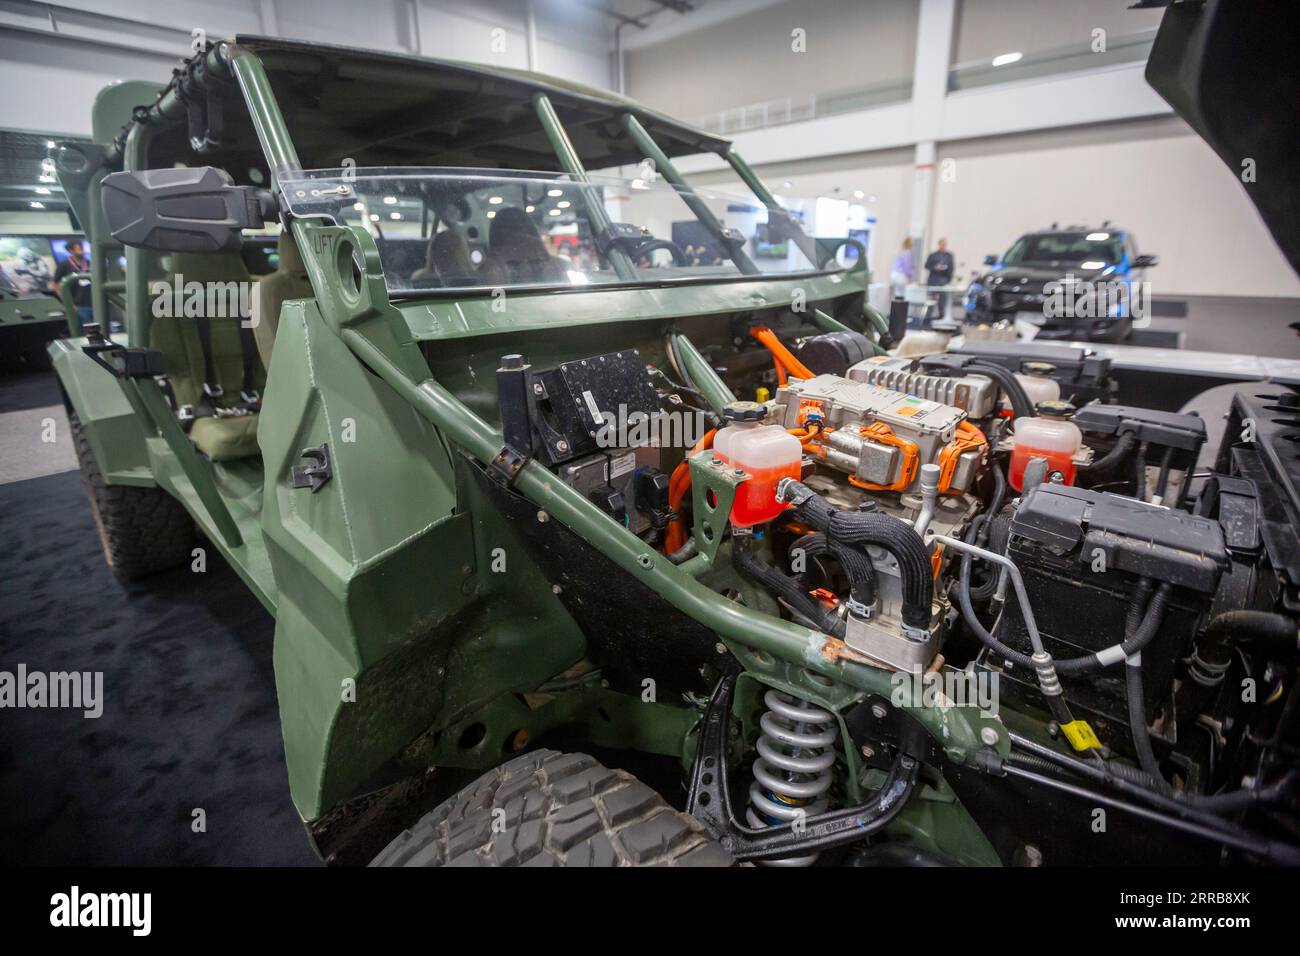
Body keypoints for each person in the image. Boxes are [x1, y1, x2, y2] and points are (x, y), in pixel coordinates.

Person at [54, 240, 94, 327]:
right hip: (78, 305)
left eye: (82, 248)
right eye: (78, 249)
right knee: (86, 330)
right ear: (71, 251)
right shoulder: (64, 265)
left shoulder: (89, 263)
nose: (82, 250)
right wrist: (68, 303)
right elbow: (56, 286)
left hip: (94, 303)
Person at [924, 238, 955, 316]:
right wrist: (935, 267)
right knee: (931, 298)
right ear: (939, 245)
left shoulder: (949, 256)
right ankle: (928, 315)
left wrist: (948, 279)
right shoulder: (933, 255)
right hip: (933, 280)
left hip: (943, 280)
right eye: (942, 245)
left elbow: (951, 268)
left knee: (943, 299)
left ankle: (942, 314)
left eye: (944, 245)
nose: (943, 246)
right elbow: (927, 265)